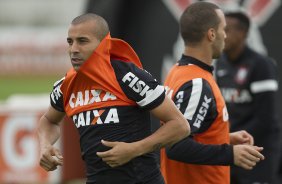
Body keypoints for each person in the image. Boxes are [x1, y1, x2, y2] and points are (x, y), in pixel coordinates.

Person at [37, 13, 190, 184]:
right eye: (70, 42)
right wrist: (45, 145)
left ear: (104, 44)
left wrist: (134, 149)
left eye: (82, 41)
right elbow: (48, 120)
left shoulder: (128, 77)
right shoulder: (66, 85)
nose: (73, 49)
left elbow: (180, 125)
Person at [160, 2, 265, 184]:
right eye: (224, 29)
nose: (226, 35)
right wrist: (230, 154)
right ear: (211, 34)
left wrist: (223, 138)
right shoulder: (197, 84)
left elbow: (191, 132)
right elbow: (176, 146)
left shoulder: (178, 71)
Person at [214, 11, 281, 184]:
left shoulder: (261, 65)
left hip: (258, 152)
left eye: (227, 29)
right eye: (220, 29)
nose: (222, 35)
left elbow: (266, 118)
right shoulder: (219, 63)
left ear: (243, 33)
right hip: (232, 150)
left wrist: (232, 138)